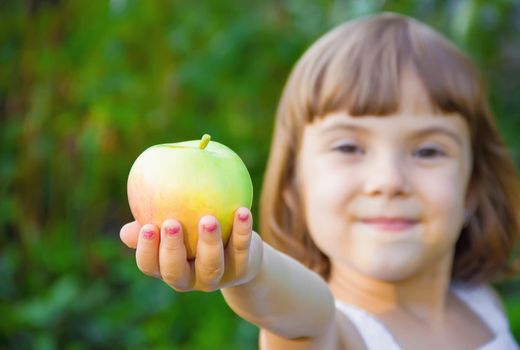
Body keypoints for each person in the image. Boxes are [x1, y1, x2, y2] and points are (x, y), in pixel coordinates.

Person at [120, 12, 520, 349]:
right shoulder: (331, 334)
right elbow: (306, 314)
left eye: (428, 151)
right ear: (295, 187)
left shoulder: (482, 305)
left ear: (473, 185)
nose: (388, 181)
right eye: (348, 147)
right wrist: (250, 270)